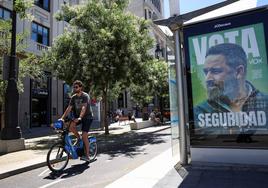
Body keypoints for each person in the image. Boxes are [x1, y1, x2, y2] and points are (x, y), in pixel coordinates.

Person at [194, 43, 268, 130]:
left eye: (216, 71)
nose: (207, 79)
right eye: (206, 72)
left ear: (238, 72)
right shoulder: (200, 111)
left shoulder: (265, 103)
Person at [59, 80, 93, 162]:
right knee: (70, 126)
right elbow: (69, 108)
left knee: (85, 135)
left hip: (87, 117)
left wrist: (80, 117)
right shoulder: (73, 97)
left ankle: (87, 156)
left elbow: (84, 108)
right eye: (74, 87)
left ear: (80, 87)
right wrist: (62, 118)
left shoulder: (85, 96)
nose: (75, 88)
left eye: (76, 87)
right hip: (78, 117)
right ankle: (78, 137)